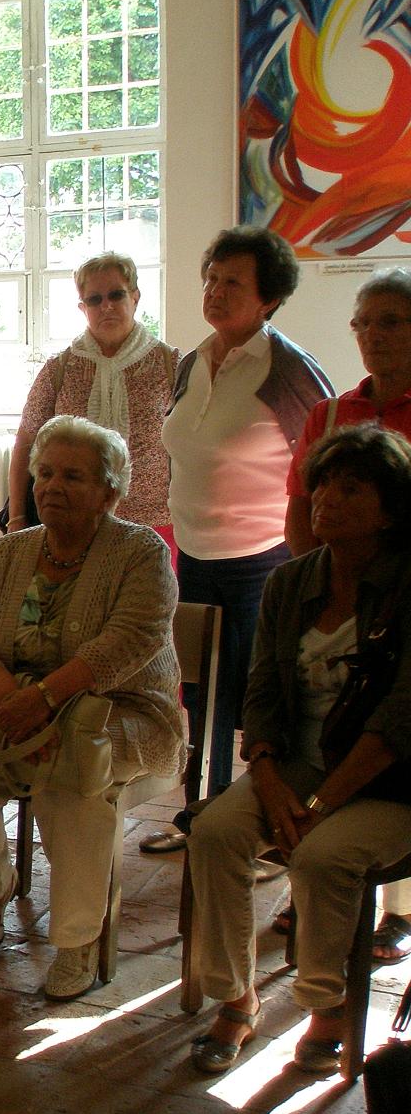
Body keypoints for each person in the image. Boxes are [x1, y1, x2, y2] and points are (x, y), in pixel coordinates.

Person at [0, 416, 185, 1000]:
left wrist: (46, 700)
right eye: (44, 472)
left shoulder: (141, 552)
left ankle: (77, 942)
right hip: (15, 704)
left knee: (69, 781)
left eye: (73, 475)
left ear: (111, 491)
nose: (51, 486)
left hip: (123, 709)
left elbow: (125, 643)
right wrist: (10, 701)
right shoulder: (10, 552)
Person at [186, 425, 411, 1077]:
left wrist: (317, 802)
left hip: (386, 778)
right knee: (216, 831)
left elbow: (401, 718)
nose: (326, 501)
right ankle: (236, 997)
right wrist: (270, 778)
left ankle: (325, 1008)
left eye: (350, 489)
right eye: (321, 487)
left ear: (391, 509)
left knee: (319, 857)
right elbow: (260, 693)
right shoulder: (290, 582)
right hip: (296, 765)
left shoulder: (407, 588)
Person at [162, 226, 332, 803]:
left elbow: (327, 458)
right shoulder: (191, 364)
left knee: (260, 703)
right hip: (195, 557)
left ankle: (264, 823)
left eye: (233, 281)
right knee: (201, 695)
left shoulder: (289, 371)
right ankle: (200, 813)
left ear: (269, 298)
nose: (215, 290)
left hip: (264, 563)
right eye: (211, 278)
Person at [273, 270, 411, 957]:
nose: (375, 336)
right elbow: (302, 500)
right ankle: (314, 896)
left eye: (391, 322)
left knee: (388, 732)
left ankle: (394, 909)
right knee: (322, 721)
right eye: (365, 323)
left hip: (406, 602)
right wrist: (319, 575)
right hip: (335, 590)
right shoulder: (331, 412)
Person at [6, 252, 176, 544]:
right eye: (95, 299)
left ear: (135, 297)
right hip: (73, 521)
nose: (107, 306)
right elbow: (26, 441)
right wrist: (18, 516)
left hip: (155, 521)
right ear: (83, 307)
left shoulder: (171, 364)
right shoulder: (59, 369)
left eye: (116, 295)